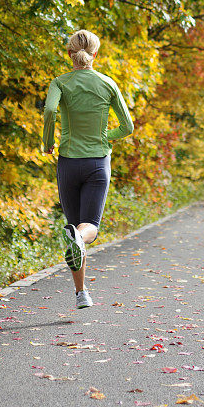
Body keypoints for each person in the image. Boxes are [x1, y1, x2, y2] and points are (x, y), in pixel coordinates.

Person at [42, 29, 134, 309]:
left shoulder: (59, 83)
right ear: (95, 54)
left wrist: (48, 143)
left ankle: (81, 293)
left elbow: (49, 112)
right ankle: (79, 257)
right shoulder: (107, 83)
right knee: (88, 227)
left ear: (70, 54)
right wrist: (107, 136)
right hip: (97, 163)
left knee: (74, 228)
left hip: (68, 161)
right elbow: (128, 127)